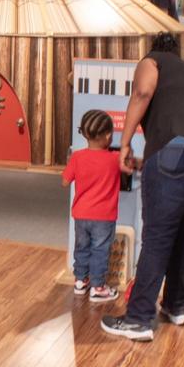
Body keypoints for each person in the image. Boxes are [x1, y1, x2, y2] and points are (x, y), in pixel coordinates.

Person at [101, 32, 184, 341]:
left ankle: (137, 319)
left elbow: (143, 93)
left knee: (158, 237)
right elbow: (183, 146)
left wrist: (124, 145)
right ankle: (176, 305)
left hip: (182, 150)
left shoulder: (153, 61)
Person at [62, 110, 121, 303]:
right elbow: (130, 166)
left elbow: (64, 181)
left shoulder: (77, 157)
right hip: (103, 217)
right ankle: (98, 287)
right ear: (108, 136)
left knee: (82, 247)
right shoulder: (114, 159)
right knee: (100, 250)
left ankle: (80, 281)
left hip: (81, 214)